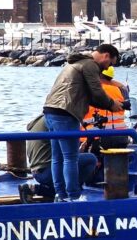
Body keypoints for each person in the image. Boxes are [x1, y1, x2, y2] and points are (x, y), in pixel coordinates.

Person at [42, 44, 123, 202]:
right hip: (66, 113)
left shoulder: (75, 63)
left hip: (50, 111)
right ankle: (73, 196)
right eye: (110, 63)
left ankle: (60, 194)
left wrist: (108, 104)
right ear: (106, 56)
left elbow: (90, 96)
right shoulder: (90, 65)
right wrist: (112, 104)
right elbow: (97, 92)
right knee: (70, 157)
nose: (108, 67)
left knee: (57, 157)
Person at [19, 114, 100, 202]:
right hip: (48, 171)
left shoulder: (42, 120)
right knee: (91, 159)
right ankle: (72, 192)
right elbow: (67, 155)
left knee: (67, 165)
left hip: (37, 171)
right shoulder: (58, 121)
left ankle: (35, 189)